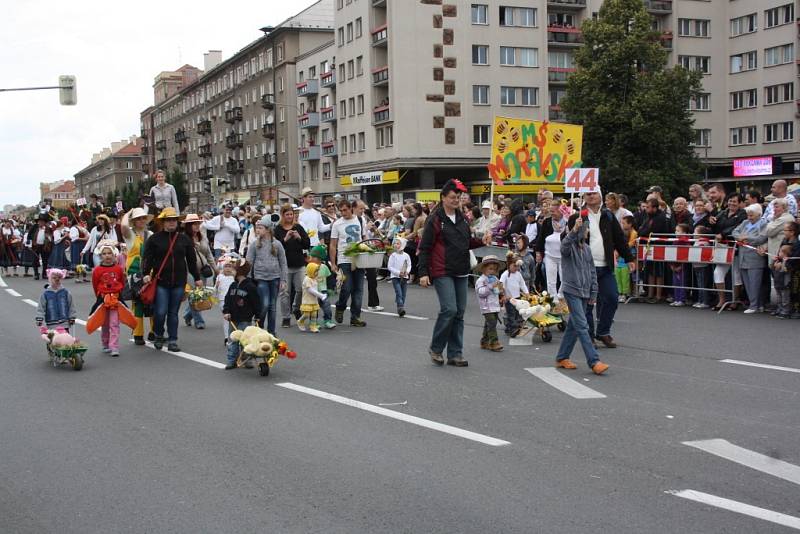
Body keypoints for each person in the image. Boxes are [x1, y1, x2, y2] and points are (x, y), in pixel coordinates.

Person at [418, 179, 489, 367]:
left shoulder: (463, 218)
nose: (455, 200)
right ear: (443, 198)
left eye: (458, 197)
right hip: (442, 270)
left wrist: (482, 241)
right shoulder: (435, 220)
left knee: (459, 313)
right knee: (449, 309)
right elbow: (424, 248)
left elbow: (467, 242)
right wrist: (423, 272)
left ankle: (455, 354)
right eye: (452, 197)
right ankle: (436, 348)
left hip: (461, 269)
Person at [571, 191, 634, 348]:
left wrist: (629, 259)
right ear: (584, 197)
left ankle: (603, 331)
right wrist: (574, 230)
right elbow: (565, 241)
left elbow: (619, 238)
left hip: (605, 266)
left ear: (600, 196)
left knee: (612, 298)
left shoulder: (608, 216)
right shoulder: (578, 216)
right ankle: (589, 335)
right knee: (587, 304)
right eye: (588, 194)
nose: (591, 196)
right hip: (585, 267)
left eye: (594, 193)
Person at [554, 213, 609, 375]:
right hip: (572, 290)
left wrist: (594, 292)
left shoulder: (587, 249)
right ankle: (594, 361)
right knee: (583, 325)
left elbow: (592, 272)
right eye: (585, 228)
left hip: (585, 292)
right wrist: (573, 230)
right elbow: (563, 246)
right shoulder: (569, 246)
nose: (588, 231)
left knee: (574, 326)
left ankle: (562, 357)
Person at [141, 208, 203, 352]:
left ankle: (173, 340)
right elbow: (147, 259)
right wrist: (145, 273)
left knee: (173, 313)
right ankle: (158, 335)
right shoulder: (154, 239)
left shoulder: (184, 239)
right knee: (161, 311)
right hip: (161, 281)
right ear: (163, 222)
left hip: (179, 282)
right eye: (168, 220)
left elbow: (191, 261)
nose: (171, 223)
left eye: (174, 220)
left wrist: (197, 278)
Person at [246, 217, 288, 335]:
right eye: (257, 227)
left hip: (275, 278)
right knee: (264, 304)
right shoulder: (255, 244)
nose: (257, 230)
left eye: (260, 227)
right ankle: (259, 328)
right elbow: (249, 262)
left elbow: (283, 262)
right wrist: (248, 280)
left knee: (272, 306)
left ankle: (271, 332)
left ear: (268, 229)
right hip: (260, 278)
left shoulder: (277, 244)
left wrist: (283, 280)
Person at [331, 200, 367, 327]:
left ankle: (355, 317)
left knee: (358, 289)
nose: (343, 213)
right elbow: (333, 244)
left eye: (345, 210)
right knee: (346, 287)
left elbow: (364, 238)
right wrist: (333, 262)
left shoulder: (360, 220)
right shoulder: (337, 224)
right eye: (340, 211)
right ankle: (340, 307)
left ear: (351, 208)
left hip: (359, 258)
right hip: (344, 259)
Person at [121, 207, 154, 345]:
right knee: (138, 303)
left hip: (150, 271)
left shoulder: (150, 234)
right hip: (134, 273)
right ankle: (138, 334)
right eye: (138, 218)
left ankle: (155, 332)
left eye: (143, 218)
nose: (141, 220)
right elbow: (123, 226)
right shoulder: (130, 235)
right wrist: (129, 213)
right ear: (133, 222)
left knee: (152, 300)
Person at [89, 241, 128, 357]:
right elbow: (95, 284)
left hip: (115, 299)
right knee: (105, 323)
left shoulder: (118, 269)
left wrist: (117, 293)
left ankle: (114, 346)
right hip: (103, 299)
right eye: (104, 254)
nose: (107, 256)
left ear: (113, 255)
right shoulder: (97, 270)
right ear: (101, 256)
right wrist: (100, 296)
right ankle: (105, 343)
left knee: (114, 323)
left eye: (109, 253)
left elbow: (122, 281)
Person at [274, 204, 310, 327]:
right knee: (285, 292)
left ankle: (296, 307)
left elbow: (307, 244)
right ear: (283, 215)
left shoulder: (298, 227)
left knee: (301, 289)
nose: (290, 217)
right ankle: (286, 317)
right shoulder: (277, 229)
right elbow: (275, 248)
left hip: (299, 263)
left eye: (291, 214)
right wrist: (286, 238)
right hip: (285, 266)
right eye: (287, 214)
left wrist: (299, 237)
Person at [223, 259, 261, 370]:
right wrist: (226, 311)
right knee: (232, 340)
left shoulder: (250, 287)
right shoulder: (233, 285)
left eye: (234, 269)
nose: (232, 270)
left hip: (245, 318)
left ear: (240, 271)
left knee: (245, 340)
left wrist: (257, 315)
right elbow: (227, 299)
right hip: (233, 318)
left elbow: (256, 302)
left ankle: (246, 360)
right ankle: (231, 360)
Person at [181, 214, 216, 330]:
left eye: (197, 223)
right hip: (189, 271)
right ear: (188, 226)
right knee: (193, 294)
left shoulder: (202, 237)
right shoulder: (183, 238)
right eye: (193, 224)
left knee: (200, 295)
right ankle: (199, 321)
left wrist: (215, 268)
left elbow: (209, 254)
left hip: (203, 269)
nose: (196, 226)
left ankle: (187, 315)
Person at [712, 193, 747, 310]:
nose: (731, 203)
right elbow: (715, 226)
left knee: (736, 274)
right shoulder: (723, 212)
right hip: (722, 247)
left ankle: (735, 300)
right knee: (718, 273)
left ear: (740, 203)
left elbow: (737, 228)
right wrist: (710, 221)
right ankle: (722, 299)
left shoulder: (742, 214)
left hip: (735, 247)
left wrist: (723, 234)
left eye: (735, 201)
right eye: (730, 201)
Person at [732, 203, 768, 314]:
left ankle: (755, 305)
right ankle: (755, 304)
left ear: (759, 214)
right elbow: (734, 232)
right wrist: (740, 237)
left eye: (751, 215)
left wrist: (746, 237)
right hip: (743, 256)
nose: (749, 217)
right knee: (747, 283)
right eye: (748, 215)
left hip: (755, 257)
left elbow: (761, 238)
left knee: (755, 283)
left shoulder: (763, 223)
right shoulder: (745, 222)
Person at [638, 198, 671, 304]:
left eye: (648, 207)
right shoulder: (648, 217)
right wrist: (643, 231)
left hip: (659, 247)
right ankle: (650, 294)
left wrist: (643, 231)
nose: (646, 209)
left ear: (655, 208)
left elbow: (650, 231)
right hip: (649, 247)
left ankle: (658, 295)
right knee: (651, 272)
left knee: (659, 272)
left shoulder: (661, 218)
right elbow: (641, 229)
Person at [536, 202, 567, 303]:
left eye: (553, 211)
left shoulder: (568, 221)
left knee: (565, 278)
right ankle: (553, 300)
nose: (552, 214)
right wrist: (538, 252)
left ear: (560, 211)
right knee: (550, 280)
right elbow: (541, 238)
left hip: (564, 256)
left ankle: (561, 295)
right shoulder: (547, 222)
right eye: (551, 212)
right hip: (549, 255)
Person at [475, 255, 504, 352]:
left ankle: (484, 341)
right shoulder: (481, 280)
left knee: (489, 324)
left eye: (494, 269)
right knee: (492, 323)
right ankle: (494, 342)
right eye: (490, 269)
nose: (492, 271)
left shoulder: (495, 279)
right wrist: (491, 286)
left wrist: (500, 290)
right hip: (486, 306)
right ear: (483, 269)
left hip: (495, 305)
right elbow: (481, 293)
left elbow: (497, 292)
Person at [501, 252, 529, 337]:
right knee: (511, 314)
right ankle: (513, 329)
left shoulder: (518, 274)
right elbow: (500, 284)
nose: (516, 268)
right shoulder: (505, 274)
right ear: (509, 264)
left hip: (517, 298)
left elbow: (522, 284)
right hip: (509, 299)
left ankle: (509, 328)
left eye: (517, 266)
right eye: (514, 266)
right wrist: (503, 295)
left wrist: (526, 292)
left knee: (517, 313)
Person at [307, 245, 336, 329]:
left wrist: (330, 288)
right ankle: (313, 323)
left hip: (323, 291)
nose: (311, 258)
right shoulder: (309, 267)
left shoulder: (324, 267)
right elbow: (306, 279)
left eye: (313, 257)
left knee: (327, 306)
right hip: (313, 291)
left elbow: (330, 278)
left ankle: (328, 320)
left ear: (319, 258)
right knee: (314, 308)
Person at [214, 255, 237, 345]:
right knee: (226, 318)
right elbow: (215, 290)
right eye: (226, 266)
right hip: (223, 300)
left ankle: (234, 336)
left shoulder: (234, 277)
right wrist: (216, 286)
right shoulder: (220, 277)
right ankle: (227, 337)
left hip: (234, 300)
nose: (227, 269)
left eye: (229, 266)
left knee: (234, 318)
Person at [298, 262, 326, 333]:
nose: (317, 273)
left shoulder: (314, 279)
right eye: (315, 271)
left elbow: (318, 284)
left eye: (317, 271)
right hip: (307, 300)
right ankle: (300, 321)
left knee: (314, 314)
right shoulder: (307, 279)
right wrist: (321, 295)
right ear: (310, 271)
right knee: (307, 314)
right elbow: (310, 290)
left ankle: (313, 326)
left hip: (314, 300)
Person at [387, 237, 411, 317]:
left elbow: (409, 265)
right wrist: (398, 273)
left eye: (398, 243)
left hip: (404, 277)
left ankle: (401, 308)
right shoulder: (393, 255)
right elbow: (389, 266)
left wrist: (407, 271)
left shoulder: (406, 255)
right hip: (395, 277)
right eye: (395, 243)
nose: (395, 245)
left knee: (403, 294)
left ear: (403, 245)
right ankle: (400, 307)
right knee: (399, 292)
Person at [617, 216, 638, 304]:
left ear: (630, 224)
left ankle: (626, 293)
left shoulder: (633, 233)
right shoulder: (622, 232)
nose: (622, 225)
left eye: (624, 223)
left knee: (626, 277)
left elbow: (631, 243)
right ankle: (620, 292)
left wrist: (621, 249)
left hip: (629, 257)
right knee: (619, 276)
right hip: (620, 258)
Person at [25, 213, 53, 280]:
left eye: (42, 221)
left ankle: (44, 274)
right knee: (35, 260)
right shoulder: (34, 227)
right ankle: (36, 274)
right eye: (39, 221)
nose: (40, 222)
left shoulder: (48, 228)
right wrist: (29, 245)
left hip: (44, 246)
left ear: (44, 222)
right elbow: (29, 236)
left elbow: (51, 238)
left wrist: (48, 237)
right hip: (35, 246)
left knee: (45, 261)